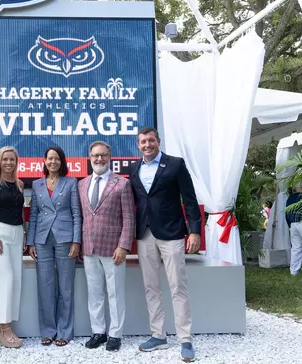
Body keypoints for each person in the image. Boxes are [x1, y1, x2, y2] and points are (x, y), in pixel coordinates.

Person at [128, 127, 201, 363]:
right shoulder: (134, 168)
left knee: (177, 286)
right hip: (145, 234)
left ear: (158, 141)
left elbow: (190, 200)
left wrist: (195, 231)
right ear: (138, 145)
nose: (147, 145)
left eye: (151, 140)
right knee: (151, 287)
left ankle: (185, 339)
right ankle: (158, 335)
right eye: (142, 142)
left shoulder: (175, 164)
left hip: (172, 234)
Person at [78, 141, 135, 352]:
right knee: (94, 293)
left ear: (109, 157)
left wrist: (124, 246)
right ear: (90, 157)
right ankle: (98, 332)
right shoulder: (82, 184)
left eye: (103, 155)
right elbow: (83, 217)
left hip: (114, 249)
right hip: (89, 248)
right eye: (95, 155)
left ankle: (115, 334)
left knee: (115, 293)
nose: (99, 159)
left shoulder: (122, 183)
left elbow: (129, 219)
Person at [27, 146, 82, 347]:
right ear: (44, 161)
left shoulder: (71, 182)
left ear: (62, 161)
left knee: (65, 286)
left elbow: (77, 213)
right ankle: (48, 330)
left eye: (57, 159)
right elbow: (33, 214)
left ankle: (65, 332)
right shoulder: (36, 184)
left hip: (65, 238)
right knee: (45, 286)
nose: (53, 162)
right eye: (50, 158)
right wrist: (31, 241)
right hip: (42, 239)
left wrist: (77, 241)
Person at [0, 146, 26, 348]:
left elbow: (21, 211)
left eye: (12, 159)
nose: (9, 163)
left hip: (17, 233)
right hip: (0, 233)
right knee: (4, 279)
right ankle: (3, 328)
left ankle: (8, 324)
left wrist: (24, 233)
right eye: (5, 159)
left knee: (16, 279)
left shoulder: (19, 184)